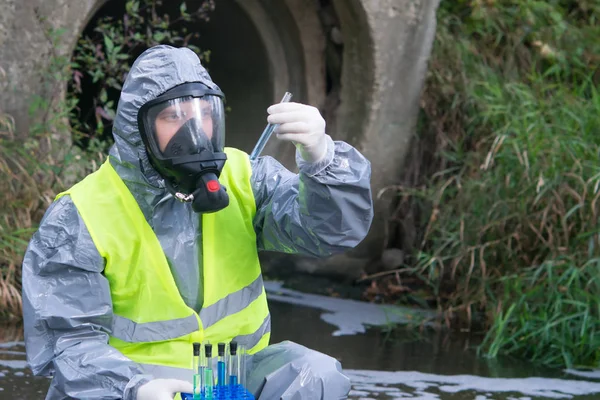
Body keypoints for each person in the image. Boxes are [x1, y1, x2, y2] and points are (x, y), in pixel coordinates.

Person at [22, 45, 373, 400]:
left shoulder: (242, 177)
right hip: (135, 387)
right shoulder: (79, 215)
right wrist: (133, 388)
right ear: (138, 128)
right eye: (173, 118)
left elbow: (329, 233)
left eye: (204, 113)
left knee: (314, 375)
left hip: (228, 381)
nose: (194, 130)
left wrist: (323, 160)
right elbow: (67, 342)